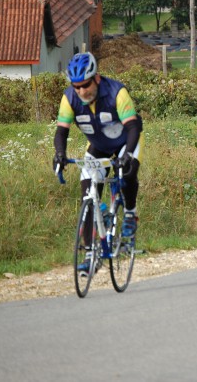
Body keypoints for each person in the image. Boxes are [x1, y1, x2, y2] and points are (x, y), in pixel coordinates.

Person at [53, 52, 143, 270]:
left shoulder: (117, 93)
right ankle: (90, 256)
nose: (82, 91)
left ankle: (130, 213)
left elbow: (133, 127)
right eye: (77, 87)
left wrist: (127, 155)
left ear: (97, 78)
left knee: (128, 172)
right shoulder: (69, 98)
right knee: (88, 196)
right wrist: (59, 154)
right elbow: (61, 132)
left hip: (126, 141)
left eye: (85, 85)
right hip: (98, 146)